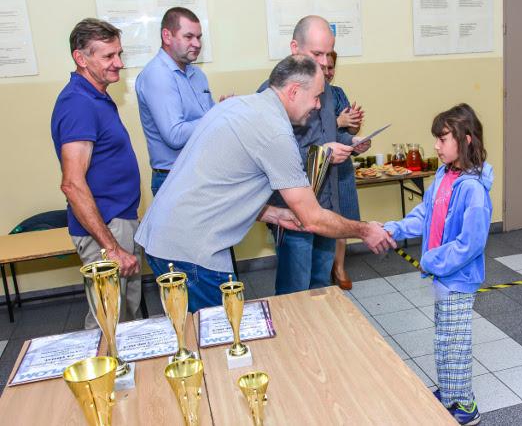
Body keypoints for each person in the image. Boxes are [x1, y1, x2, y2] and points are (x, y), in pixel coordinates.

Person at [135, 55, 395, 312]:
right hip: (190, 251)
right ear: (294, 91)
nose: (318, 105)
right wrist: (365, 230)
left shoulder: (239, 106)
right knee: (220, 332)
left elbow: (223, 185)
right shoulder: (274, 132)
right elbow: (313, 219)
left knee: (199, 330)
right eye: (316, 97)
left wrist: (274, 213)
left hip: (164, 236)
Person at [383, 104, 492, 426]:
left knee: (455, 343)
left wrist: (432, 260)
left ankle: (465, 406)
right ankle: (449, 393)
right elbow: (426, 213)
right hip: (443, 275)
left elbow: (470, 244)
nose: (436, 145)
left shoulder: (473, 188)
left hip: (458, 278)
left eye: (443, 139)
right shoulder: (445, 174)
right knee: (444, 339)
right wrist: (396, 228)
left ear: (466, 140)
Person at [258, 15, 372, 296]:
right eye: (317, 53)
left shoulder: (327, 91)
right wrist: (322, 153)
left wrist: (350, 142)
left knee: (321, 287)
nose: (324, 62)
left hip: (326, 204)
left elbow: (327, 134)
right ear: (294, 48)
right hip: (293, 210)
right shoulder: (273, 94)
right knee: (295, 292)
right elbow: (273, 156)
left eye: (328, 54)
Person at [51, 18, 142, 328]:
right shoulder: (78, 104)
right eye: (108, 56)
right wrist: (112, 248)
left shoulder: (96, 96)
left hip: (118, 221)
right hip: (105, 229)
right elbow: (72, 184)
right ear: (81, 58)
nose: (119, 63)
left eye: (119, 54)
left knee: (124, 319)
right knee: (108, 321)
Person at [135, 7, 230, 195]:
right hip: (173, 178)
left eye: (199, 37)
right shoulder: (158, 75)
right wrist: (218, 115)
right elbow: (175, 135)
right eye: (188, 37)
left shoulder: (197, 74)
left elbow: (209, 119)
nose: (197, 43)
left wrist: (224, 110)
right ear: (167, 36)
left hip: (201, 173)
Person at [326, 50, 365, 290]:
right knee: (322, 219)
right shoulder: (304, 94)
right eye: (324, 67)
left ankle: (339, 266)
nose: (328, 72)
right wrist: (338, 121)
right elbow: (312, 131)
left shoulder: (338, 93)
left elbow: (347, 132)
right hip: (319, 168)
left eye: (331, 67)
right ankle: (324, 268)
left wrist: (354, 128)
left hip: (341, 166)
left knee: (342, 219)